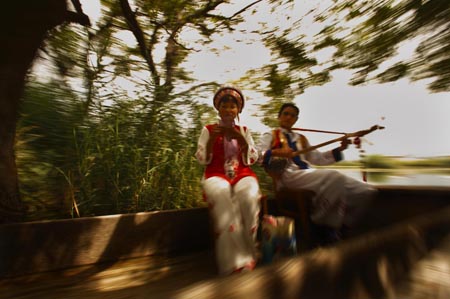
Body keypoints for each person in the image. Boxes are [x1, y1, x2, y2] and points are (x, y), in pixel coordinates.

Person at [257, 103, 377, 242]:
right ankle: (324, 224)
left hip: (307, 173)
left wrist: (340, 149)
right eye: (286, 114)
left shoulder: (301, 138)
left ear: (296, 119)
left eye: (293, 115)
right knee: (334, 177)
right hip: (287, 175)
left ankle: (345, 225)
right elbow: (257, 154)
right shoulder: (271, 135)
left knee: (366, 191)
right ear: (279, 117)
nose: (289, 117)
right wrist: (275, 152)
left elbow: (318, 159)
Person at [195, 86, 261, 275]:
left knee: (248, 195)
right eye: (224, 106)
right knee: (221, 193)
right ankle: (233, 263)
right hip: (216, 173)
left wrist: (242, 140)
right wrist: (211, 140)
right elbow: (202, 160)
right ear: (218, 108)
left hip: (242, 173)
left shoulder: (244, 130)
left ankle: (251, 252)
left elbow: (252, 159)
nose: (229, 110)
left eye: (233, 106)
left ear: (238, 110)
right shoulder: (208, 129)